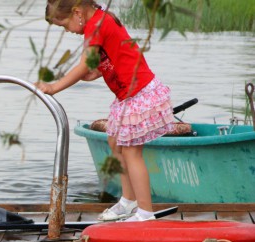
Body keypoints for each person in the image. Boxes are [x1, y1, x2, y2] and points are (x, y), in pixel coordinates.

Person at [36, 0, 174, 222]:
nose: (67, 31)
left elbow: (82, 65)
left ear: (77, 12)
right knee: (114, 142)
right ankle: (128, 201)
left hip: (138, 92)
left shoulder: (96, 25)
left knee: (131, 152)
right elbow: (117, 54)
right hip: (128, 93)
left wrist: (54, 87)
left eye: (64, 25)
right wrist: (99, 71)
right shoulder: (101, 19)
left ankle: (146, 213)